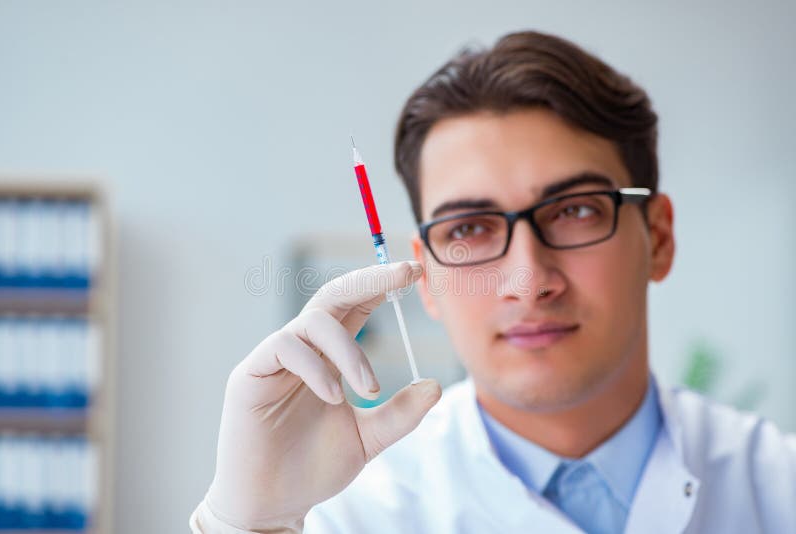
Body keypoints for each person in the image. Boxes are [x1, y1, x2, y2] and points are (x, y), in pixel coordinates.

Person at [190, 30, 796, 534]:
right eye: (470, 228)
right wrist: (246, 523)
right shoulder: (347, 513)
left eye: (576, 210)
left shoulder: (777, 489)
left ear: (658, 238)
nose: (528, 283)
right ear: (424, 278)